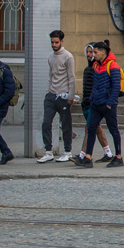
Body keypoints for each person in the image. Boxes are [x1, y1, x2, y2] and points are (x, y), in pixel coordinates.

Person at [74, 41, 123, 168]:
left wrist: (109, 103)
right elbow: (95, 85)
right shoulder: (96, 65)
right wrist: (92, 99)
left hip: (107, 105)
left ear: (103, 52)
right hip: (95, 104)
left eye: (95, 52)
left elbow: (116, 87)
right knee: (91, 129)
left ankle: (118, 157)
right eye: (92, 52)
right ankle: (88, 157)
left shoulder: (113, 66)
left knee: (113, 130)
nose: (93, 55)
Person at [38, 29, 76, 163]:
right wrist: (48, 91)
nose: (54, 45)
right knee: (46, 123)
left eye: (56, 42)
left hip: (63, 96)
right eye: (52, 42)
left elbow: (71, 77)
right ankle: (48, 151)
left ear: (61, 41)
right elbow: (51, 75)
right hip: (51, 95)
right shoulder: (50, 57)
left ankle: (67, 151)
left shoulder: (68, 57)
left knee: (66, 124)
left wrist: (71, 96)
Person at [78, 42, 112, 162]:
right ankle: (108, 153)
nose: (89, 54)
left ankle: (82, 155)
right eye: (87, 52)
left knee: (89, 128)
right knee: (97, 129)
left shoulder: (98, 68)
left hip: (94, 104)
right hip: (86, 104)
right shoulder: (88, 68)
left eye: (92, 52)